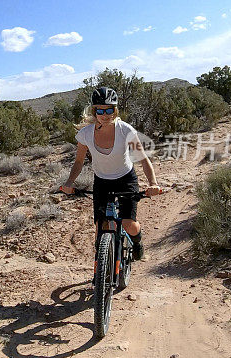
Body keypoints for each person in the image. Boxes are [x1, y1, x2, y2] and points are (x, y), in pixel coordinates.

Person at [60, 87, 161, 260]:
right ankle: (101, 272)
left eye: (109, 109)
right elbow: (78, 162)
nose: (105, 114)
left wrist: (152, 183)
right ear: (94, 111)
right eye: (100, 110)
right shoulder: (85, 134)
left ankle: (137, 242)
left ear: (115, 110)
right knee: (101, 226)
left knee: (129, 225)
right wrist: (69, 183)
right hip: (102, 181)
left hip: (126, 179)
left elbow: (143, 159)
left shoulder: (126, 131)